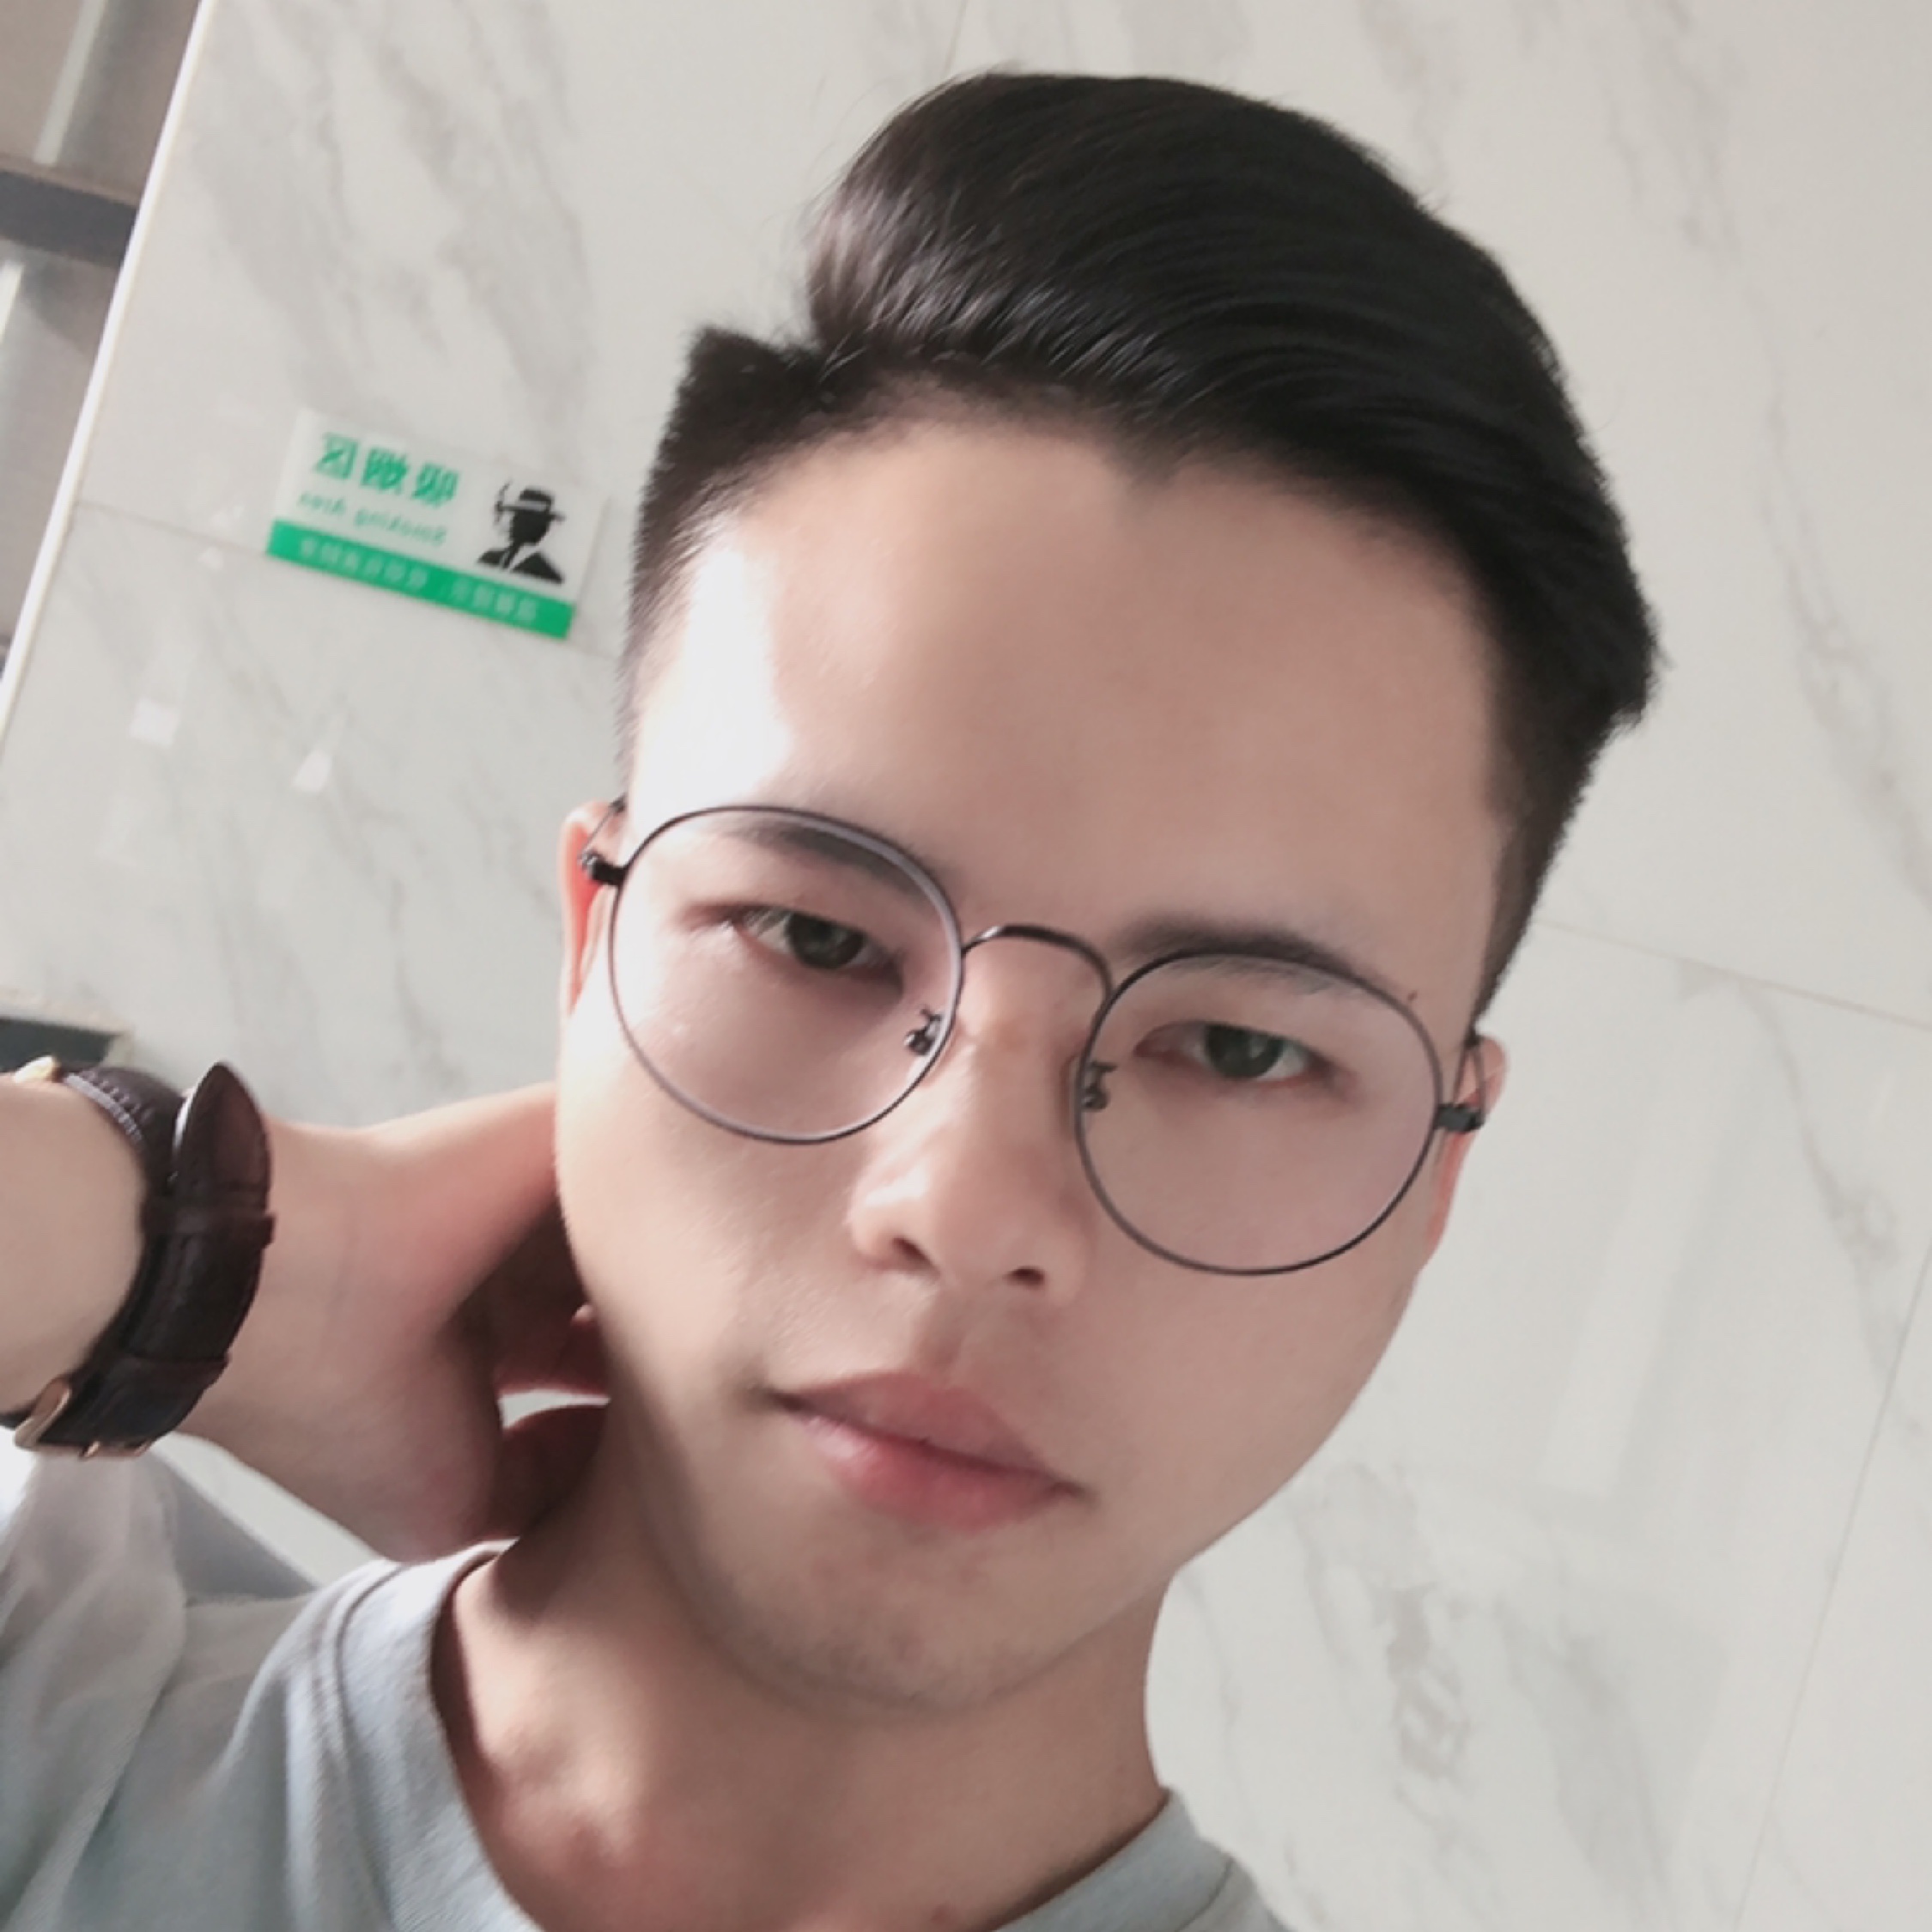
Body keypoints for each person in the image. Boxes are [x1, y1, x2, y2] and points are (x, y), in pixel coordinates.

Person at [0, 71, 1655, 1932]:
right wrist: (175, 1242)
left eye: (1243, 1046)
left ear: (1435, 1175)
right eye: (814, 937)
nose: (964, 1208)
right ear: (593, 942)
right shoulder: (58, 1710)